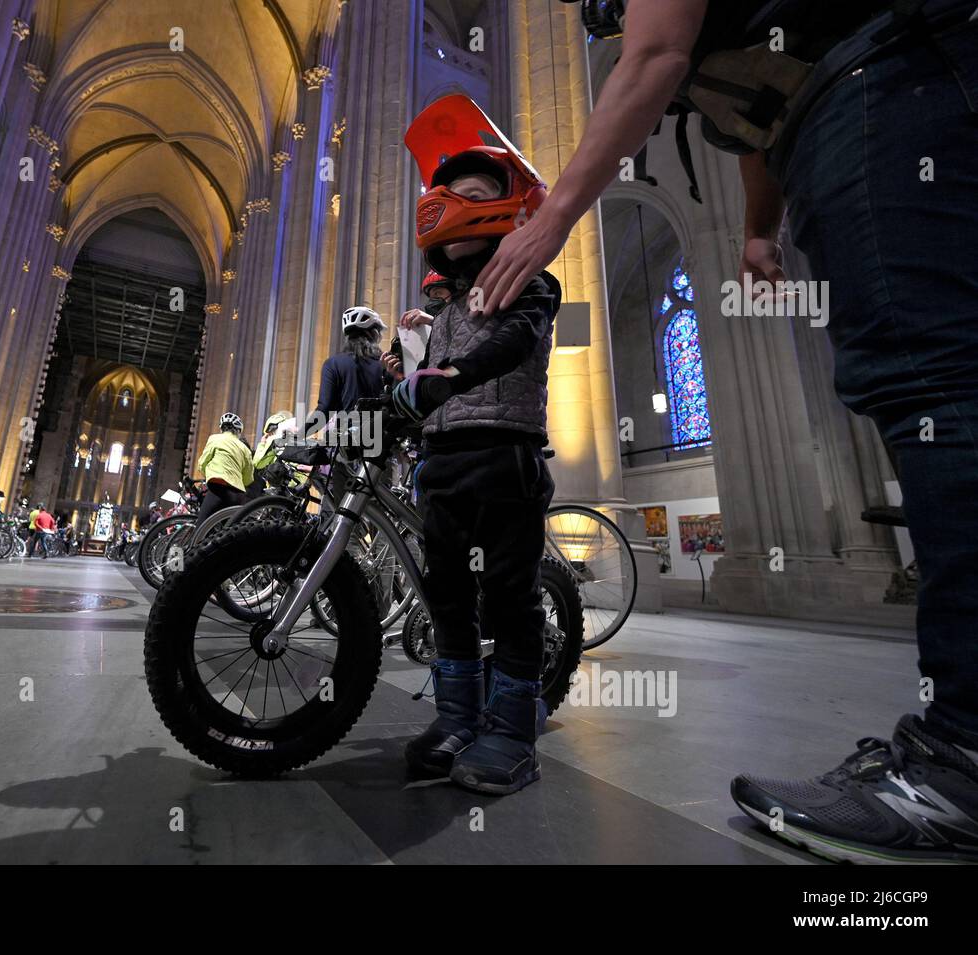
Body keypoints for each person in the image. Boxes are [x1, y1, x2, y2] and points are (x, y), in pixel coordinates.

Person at [476, 0, 978, 860]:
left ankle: (962, 761)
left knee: (935, 387)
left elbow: (659, 54)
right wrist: (756, 227)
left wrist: (550, 218)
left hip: (885, 84)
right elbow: (753, 115)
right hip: (860, 95)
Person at [387, 95, 562, 795]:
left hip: (506, 460)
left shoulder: (529, 284)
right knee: (448, 597)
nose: (449, 206)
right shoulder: (444, 309)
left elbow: (512, 341)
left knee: (510, 597)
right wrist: (394, 386)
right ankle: (459, 716)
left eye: (472, 194)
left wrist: (449, 375)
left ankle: (513, 730)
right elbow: (412, 384)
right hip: (445, 467)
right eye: (443, 193)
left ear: (507, 211)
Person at [306, 307, 388, 441]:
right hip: (382, 442)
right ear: (373, 333)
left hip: (347, 443)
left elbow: (325, 408)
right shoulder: (386, 363)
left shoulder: (333, 363)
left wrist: (301, 434)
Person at [195, 412, 254, 523]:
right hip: (237, 494)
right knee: (227, 531)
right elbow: (248, 478)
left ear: (222, 428)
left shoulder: (215, 439)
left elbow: (202, 463)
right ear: (238, 431)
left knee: (202, 527)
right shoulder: (245, 449)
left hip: (218, 487)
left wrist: (208, 474)